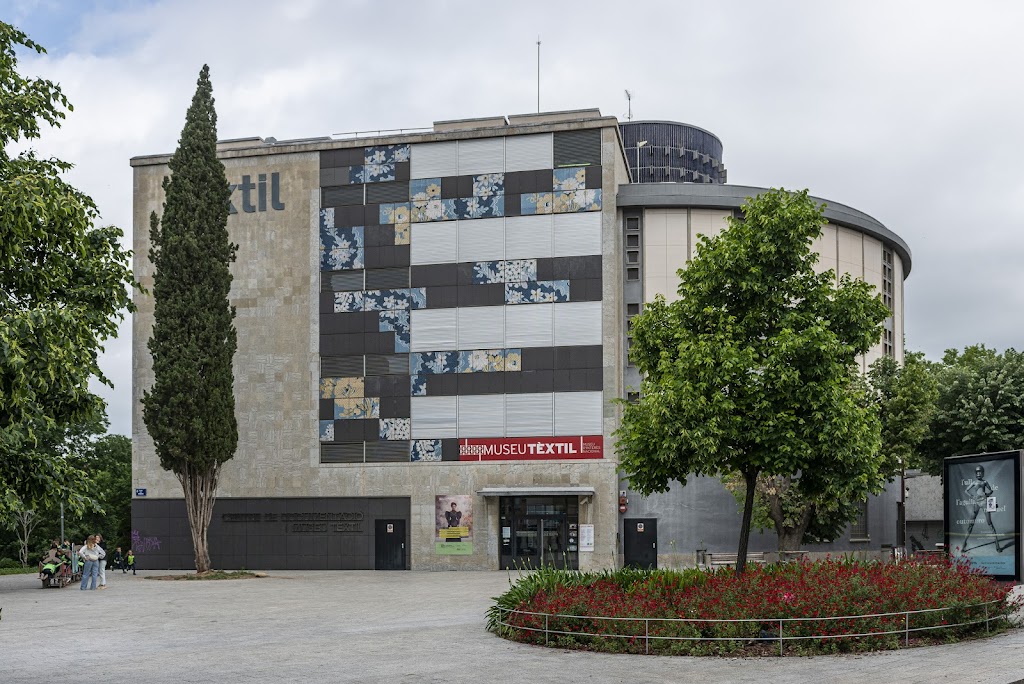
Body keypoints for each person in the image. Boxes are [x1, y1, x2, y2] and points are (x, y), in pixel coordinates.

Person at [963, 465, 1004, 552]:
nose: (979, 473)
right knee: (971, 524)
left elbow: (991, 490)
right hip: (977, 503)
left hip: (984, 502)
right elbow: (966, 490)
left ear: (982, 473)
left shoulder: (985, 482)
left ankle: (997, 546)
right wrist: (972, 496)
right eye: (977, 472)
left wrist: (986, 495)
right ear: (976, 473)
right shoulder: (974, 482)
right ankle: (964, 544)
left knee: (989, 523)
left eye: (980, 472)